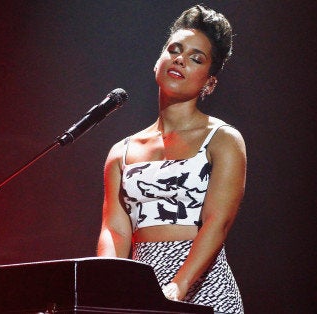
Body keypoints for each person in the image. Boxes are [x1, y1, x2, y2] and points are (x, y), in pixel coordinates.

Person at [96, 4, 245, 314]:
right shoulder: (121, 152)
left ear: (209, 81)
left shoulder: (222, 140)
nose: (180, 59)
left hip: (203, 285)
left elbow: (218, 222)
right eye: (174, 50)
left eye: (196, 58)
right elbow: (116, 231)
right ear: (157, 62)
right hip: (141, 284)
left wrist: (179, 285)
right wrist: (105, 287)